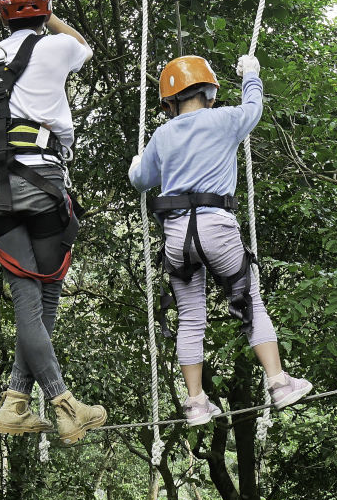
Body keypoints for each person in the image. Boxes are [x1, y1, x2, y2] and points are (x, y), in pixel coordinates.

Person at [128, 53, 312, 425]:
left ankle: (195, 402)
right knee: (249, 303)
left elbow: (140, 181)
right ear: (210, 93)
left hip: (178, 236)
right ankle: (278, 382)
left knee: (192, 317)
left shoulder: (162, 135)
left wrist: (136, 163)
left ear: (168, 102)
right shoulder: (225, 120)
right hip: (217, 227)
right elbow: (253, 107)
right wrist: (252, 75)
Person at [0, 0, 107, 445]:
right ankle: (64, 403)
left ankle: (15, 401)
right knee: (44, 294)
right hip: (43, 182)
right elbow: (84, 46)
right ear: (43, 7)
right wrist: (50, 18)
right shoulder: (56, 45)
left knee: (29, 298)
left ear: (1, 10)